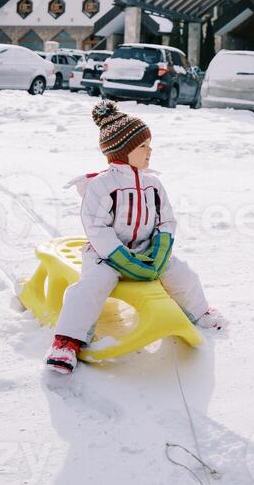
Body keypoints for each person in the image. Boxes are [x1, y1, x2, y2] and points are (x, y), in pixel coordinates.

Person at [46, 99, 224, 374]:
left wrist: (160, 248)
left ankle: (200, 312)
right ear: (121, 150)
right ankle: (67, 342)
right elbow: (96, 227)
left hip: (146, 250)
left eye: (149, 145)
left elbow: (166, 219)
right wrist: (120, 256)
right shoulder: (102, 186)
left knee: (182, 273)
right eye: (143, 146)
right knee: (91, 286)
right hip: (105, 256)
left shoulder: (153, 184)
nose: (149, 151)